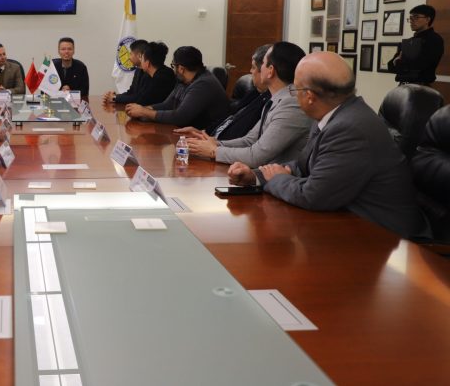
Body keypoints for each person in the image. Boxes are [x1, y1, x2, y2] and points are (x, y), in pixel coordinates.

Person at [228, 51, 430, 240]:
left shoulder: (350, 129)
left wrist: (276, 179)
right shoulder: (333, 114)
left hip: (381, 237)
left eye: (295, 89)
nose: (292, 94)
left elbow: (313, 196)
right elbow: (303, 165)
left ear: (309, 97)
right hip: (346, 223)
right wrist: (257, 176)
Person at [184, 42, 312, 167]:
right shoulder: (277, 98)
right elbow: (250, 140)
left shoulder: (291, 105)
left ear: (270, 71)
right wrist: (214, 144)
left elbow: (255, 156)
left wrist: (214, 151)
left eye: (263, 63)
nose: (254, 70)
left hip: (276, 178)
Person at [125, 46, 229, 129]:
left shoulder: (203, 84)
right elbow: (168, 105)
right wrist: (143, 109)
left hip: (208, 137)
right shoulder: (183, 81)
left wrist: (145, 112)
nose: (173, 69)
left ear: (181, 69)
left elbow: (180, 117)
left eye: (173, 65)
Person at [200, 44, 272, 141]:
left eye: (253, 67)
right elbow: (228, 117)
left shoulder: (269, 103)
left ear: (267, 71)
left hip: (223, 146)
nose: (250, 71)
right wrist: (202, 133)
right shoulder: (255, 93)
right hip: (212, 140)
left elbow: (245, 140)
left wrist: (213, 144)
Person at [387, 4, 445, 85]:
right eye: (410, 18)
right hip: (403, 86)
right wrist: (398, 63)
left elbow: (419, 65)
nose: (411, 21)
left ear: (427, 19)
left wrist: (398, 62)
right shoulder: (409, 41)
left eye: (416, 17)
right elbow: (390, 67)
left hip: (421, 87)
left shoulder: (434, 39)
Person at [103, 39, 147, 104]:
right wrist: (115, 96)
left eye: (131, 54)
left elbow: (138, 98)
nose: (129, 58)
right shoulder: (138, 70)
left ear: (139, 55)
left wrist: (114, 98)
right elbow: (131, 92)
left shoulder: (149, 73)